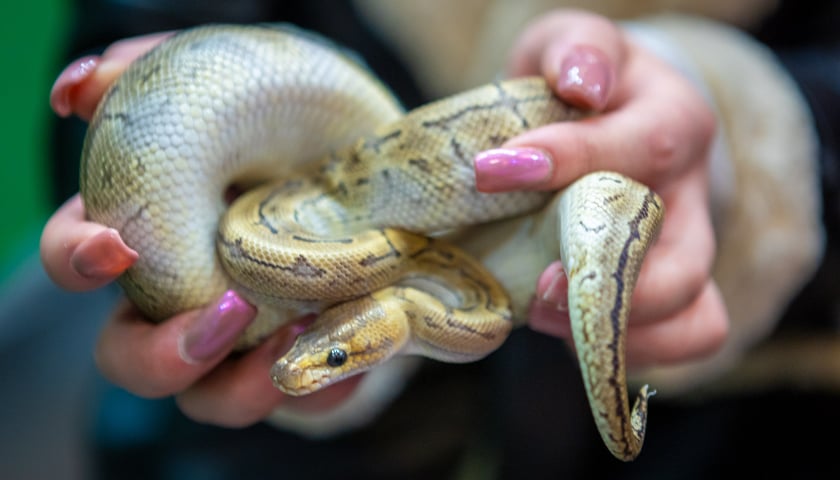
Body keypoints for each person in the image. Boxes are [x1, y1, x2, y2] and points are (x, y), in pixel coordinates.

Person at [38, 0, 838, 477]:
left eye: (337, 351)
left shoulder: (424, 303)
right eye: (335, 349)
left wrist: (746, 151)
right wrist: (120, 112)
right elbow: (130, 25)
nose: (307, 364)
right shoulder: (422, 303)